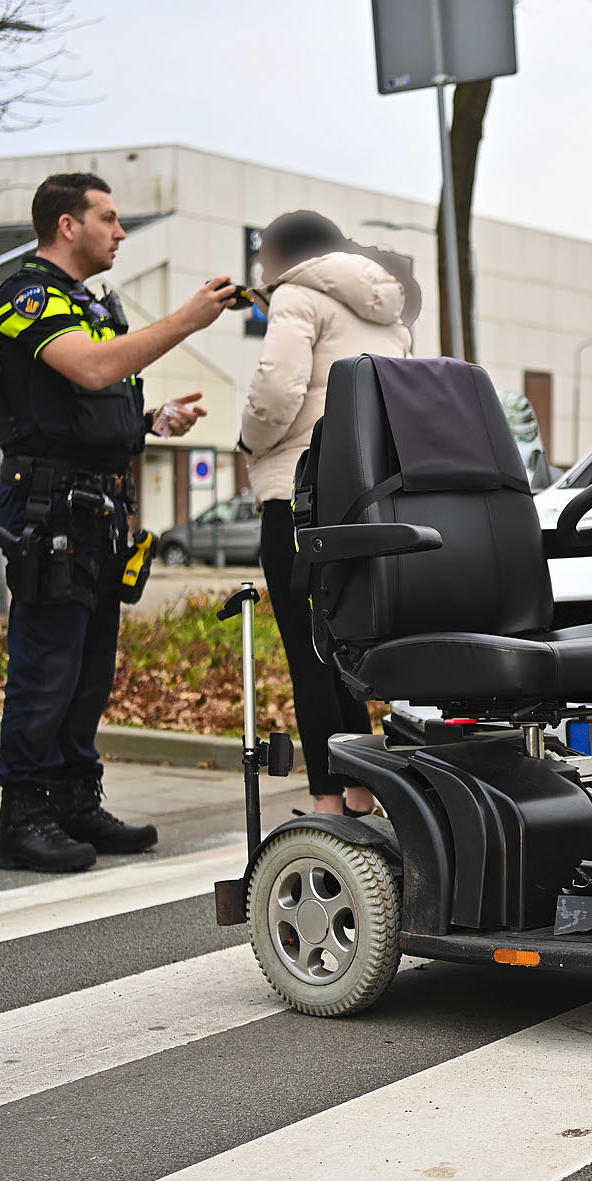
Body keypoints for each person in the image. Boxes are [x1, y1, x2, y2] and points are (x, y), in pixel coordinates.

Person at [0, 171, 238, 872]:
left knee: (90, 667)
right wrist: (185, 321)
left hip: (95, 508)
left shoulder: (85, 304)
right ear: (68, 225)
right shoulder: (26, 298)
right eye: (109, 218)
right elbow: (92, 371)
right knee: (47, 664)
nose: (121, 233)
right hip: (48, 508)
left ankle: (73, 798)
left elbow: (85, 406)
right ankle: (23, 815)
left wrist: (149, 421)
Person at [239, 211, 410, 815]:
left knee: (308, 655)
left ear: (285, 254)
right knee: (345, 651)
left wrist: (250, 443)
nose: (261, 270)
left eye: (263, 257)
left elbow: (275, 393)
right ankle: (361, 793)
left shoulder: (296, 295)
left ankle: (326, 801)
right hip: (363, 499)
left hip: (298, 493)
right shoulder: (390, 316)